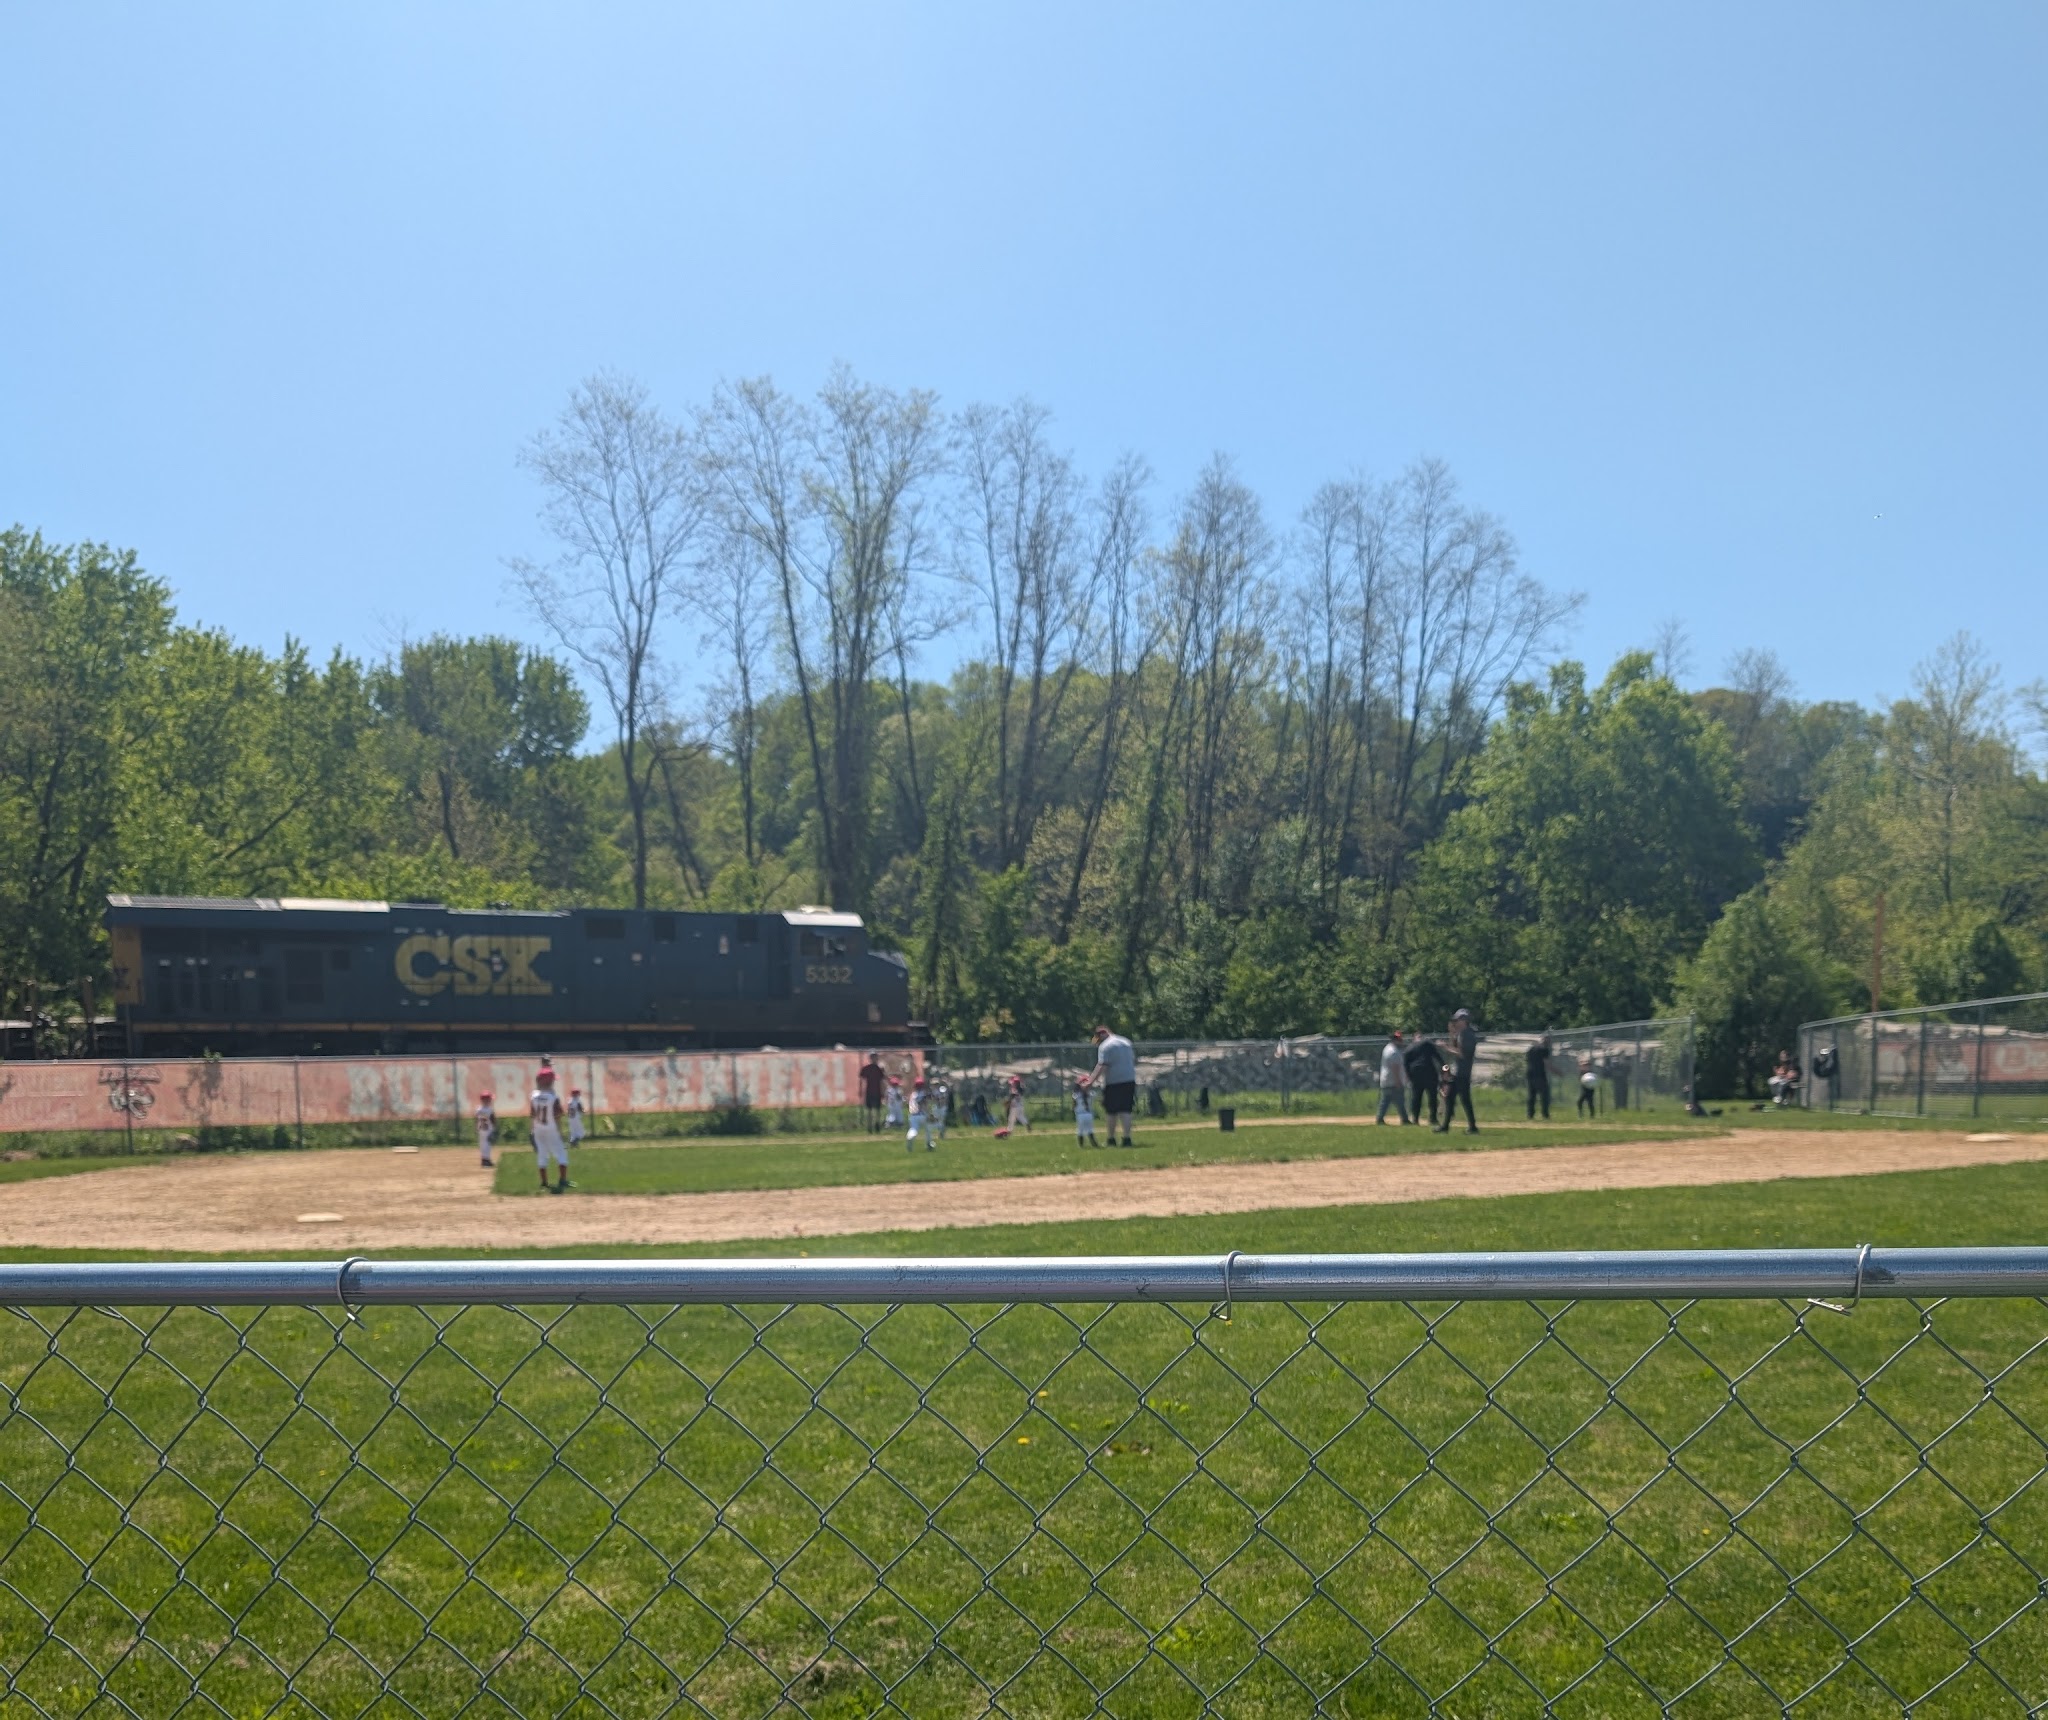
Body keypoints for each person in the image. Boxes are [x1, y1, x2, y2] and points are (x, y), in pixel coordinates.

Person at [1091, 1025, 1138, 1146]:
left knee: (1111, 1112)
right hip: (1129, 1080)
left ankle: (1111, 1139)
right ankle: (1127, 1139)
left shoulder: (1105, 1046)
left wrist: (1091, 1081)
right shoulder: (1126, 1042)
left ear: (1101, 1035)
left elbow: (1102, 1066)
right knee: (1126, 1110)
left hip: (1113, 1082)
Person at [1434, 1008, 1479, 1135]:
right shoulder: (1461, 1033)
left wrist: (1445, 1047)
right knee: (1451, 1099)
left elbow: (1462, 1053)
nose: (1455, 1022)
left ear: (1464, 1021)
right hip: (1457, 1072)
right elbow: (1455, 1048)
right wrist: (1452, 1034)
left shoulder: (1467, 1034)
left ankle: (1472, 1127)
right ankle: (1446, 1126)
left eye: (1457, 1020)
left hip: (1462, 1073)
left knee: (1464, 1100)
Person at [530, 1067, 571, 1193]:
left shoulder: (534, 1096)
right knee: (561, 1154)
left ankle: (544, 1182)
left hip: (538, 1129)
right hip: (551, 1129)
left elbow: (532, 1114)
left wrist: (531, 1130)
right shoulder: (553, 1097)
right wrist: (561, 1131)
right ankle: (563, 1180)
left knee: (542, 1155)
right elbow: (557, 1115)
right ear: (550, 1082)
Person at [1403, 1034, 1445, 1129]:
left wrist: (1409, 1076)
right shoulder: (1427, 1043)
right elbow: (1437, 1056)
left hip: (1416, 1074)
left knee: (1416, 1097)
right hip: (1429, 1072)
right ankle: (1433, 1118)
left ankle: (1415, 1118)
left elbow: (1405, 1064)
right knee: (1432, 1096)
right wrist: (1444, 1068)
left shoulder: (1409, 1048)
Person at [1376, 1031, 1411, 1125]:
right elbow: (1395, 1068)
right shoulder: (1393, 1052)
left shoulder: (1389, 1049)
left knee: (1386, 1100)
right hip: (1392, 1080)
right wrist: (1398, 1081)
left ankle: (1380, 1118)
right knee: (1400, 1101)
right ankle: (1405, 1119)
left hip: (1388, 1080)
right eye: (1398, 1039)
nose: (1400, 1041)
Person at [1525, 1035, 1553, 1121]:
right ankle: (1545, 1114)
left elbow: (1527, 1060)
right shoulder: (1544, 1050)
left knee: (1532, 1095)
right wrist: (1557, 1072)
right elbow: (1546, 1063)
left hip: (1530, 1074)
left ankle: (1530, 1114)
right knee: (1545, 1095)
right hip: (1540, 1074)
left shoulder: (1531, 1049)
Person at [905, 1077, 935, 1152]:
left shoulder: (912, 1095)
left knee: (913, 1129)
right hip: (922, 1114)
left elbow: (908, 1105)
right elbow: (925, 1105)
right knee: (928, 1129)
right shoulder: (924, 1094)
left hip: (913, 1115)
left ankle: (910, 1137)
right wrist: (929, 1114)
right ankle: (929, 1144)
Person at [860, 1054, 886, 1132]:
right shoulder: (866, 1068)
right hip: (869, 1091)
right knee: (869, 1110)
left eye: (875, 1057)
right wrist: (861, 1090)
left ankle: (877, 1124)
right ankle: (869, 1126)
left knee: (877, 1109)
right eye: (873, 1057)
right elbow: (861, 1080)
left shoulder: (879, 1069)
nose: (874, 1059)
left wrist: (882, 1091)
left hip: (877, 1091)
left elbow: (881, 1081)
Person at [1073, 1077, 1098, 1147]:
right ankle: (1094, 1144)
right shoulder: (1091, 1094)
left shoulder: (1076, 1095)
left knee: (1080, 1130)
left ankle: (1081, 1145)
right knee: (1090, 1129)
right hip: (1089, 1114)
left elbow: (1074, 1105)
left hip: (1080, 1114)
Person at [474, 1093, 497, 1167]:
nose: (490, 1101)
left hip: (481, 1129)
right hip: (488, 1129)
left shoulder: (478, 1109)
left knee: (482, 1144)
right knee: (487, 1145)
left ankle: (484, 1159)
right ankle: (487, 1160)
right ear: (486, 1100)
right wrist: (494, 1128)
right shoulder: (490, 1109)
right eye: (489, 1099)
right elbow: (493, 1120)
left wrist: (476, 1127)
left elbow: (476, 1119)